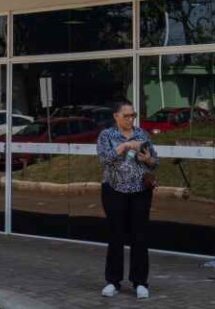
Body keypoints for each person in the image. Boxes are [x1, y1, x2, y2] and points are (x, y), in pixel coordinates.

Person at [96, 100, 158, 300]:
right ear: (116, 116)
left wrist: (148, 159)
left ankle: (140, 282)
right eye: (127, 116)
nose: (130, 119)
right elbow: (104, 159)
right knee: (116, 235)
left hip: (140, 191)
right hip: (114, 190)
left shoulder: (142, 134)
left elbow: (155, 161)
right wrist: (124, 146)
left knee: (139, 236)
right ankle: (113, 281)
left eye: (133, 115)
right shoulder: (107, 135)